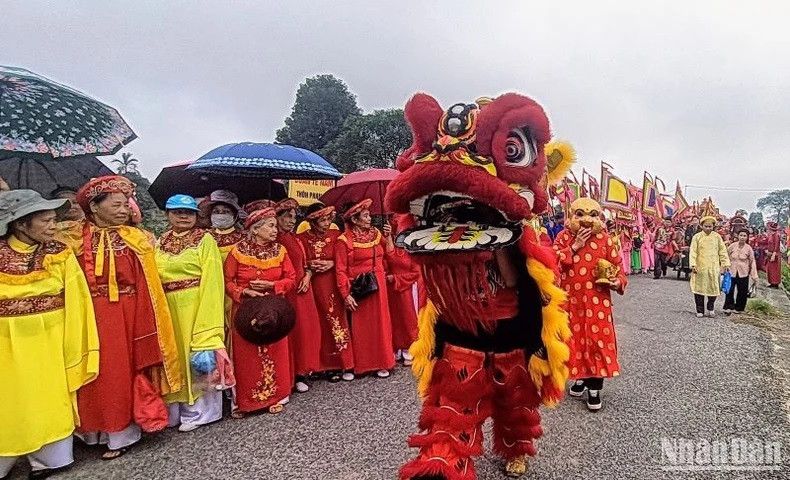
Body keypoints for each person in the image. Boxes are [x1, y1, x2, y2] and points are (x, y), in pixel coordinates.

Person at [74, 176, 182, 459]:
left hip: (129, 310)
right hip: (88, 311)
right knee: (91, 371)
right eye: (116, 204)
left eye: (126, 205)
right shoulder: (74, 238)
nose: (124, 210)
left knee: (120, 371)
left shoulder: (138, 238)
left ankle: (121, 434)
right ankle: (93, 430)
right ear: (94, 208)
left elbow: (148, 281)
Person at [0, 190, 99, 479]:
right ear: (20, 224)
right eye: (45, 220)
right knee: (9, 397)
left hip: (51, 337)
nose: (53, 226)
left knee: (50, 394)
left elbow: (77, 297)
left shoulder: (59, 253)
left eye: (54, 219)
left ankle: (49, 458)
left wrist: (76, 341)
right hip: (6, 341)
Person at [155, 195, 229, 432]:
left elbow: (213, 279)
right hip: (168, 307)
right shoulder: (160, 242)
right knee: (173, 355)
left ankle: (202, 412)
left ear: (197, 216)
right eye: (177, 212)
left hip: (196, 302)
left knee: (197, 355)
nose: (184, 216)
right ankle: (175, 408)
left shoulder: (205, 240)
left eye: (189, 212)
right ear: (168, 214)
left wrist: (208, 316)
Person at [555, 198, 627, 411]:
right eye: (580, 214)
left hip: (598, 303)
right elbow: (551, 262)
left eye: (593, 215)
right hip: (571, 301)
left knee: (597, 340)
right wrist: (574, 246)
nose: (586, 220)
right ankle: (580, 377)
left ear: (600, 218)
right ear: (571, 216)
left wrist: (617, 281)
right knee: (575, 340)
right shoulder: (563, 237)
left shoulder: (606, 240)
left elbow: (618, 268)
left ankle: (595, 387)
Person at [224, 208, 295, 417]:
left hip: (273, 308)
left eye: (275, 225)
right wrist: (243, 290)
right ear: (255, 229)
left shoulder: (280, 251)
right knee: (247, 355)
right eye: (271, 225)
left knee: (275, 351)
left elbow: (291, 279)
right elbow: (227, 281)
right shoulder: (237, 251)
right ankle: (247, 401)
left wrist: (272, 286)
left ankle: (276, 395)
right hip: (246, 309)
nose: (275, 230)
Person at [335, 199, 395, 378]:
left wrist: (389, 236)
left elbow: (390, 254)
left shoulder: (376, 233)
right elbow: (340, 270)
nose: (370, 218)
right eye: (366, 215)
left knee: (381, 324)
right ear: (355, 219)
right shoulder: (343, 240)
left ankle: (383, 362)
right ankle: (363, 364)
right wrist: (345, 295)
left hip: (379, 284)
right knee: (361, 327)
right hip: (360, 286)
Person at [298, 203, 355, 383]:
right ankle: (316, 365)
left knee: (336, 321)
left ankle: (339, 363)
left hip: (331, 284)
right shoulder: (301, 238)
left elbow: (345, 260)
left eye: (327, 219)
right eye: (321, 220)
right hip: (310, 286)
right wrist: (309, 267)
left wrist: (331, 263)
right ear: (312, 222)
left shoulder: (336, 236)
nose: (325, 223)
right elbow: (298, 260)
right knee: (315, 324)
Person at [275, 198, 321, 393]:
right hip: (288, 291)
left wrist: (309, 274)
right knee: (293, 331)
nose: (291, 220)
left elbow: (306, 263)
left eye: (294, 216)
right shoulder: (274, 241)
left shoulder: (294, 238)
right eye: (287, 216)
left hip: (303, 288)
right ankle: (294, 373)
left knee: (307, 330)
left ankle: (305, 369)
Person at [385, 220, 421, 366]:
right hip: (392, 289)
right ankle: (397, 349)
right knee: (395, 319)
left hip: (408, 287)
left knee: (409, 319)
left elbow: (416, 272)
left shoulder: (414, 248)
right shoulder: (393, 244)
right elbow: (389, 257)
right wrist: (387, 237)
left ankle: (410, 350)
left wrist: (397, 278)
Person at [689, 216, 731, 318]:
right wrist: (693, 264)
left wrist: (725, 263)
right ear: (701, 226)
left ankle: (710, 307)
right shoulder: (697, 237)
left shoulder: (717, 237)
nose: (708, 228)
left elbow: (722, 251)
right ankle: (700, 310)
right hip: (700, 267)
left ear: (713, 226)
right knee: (699, 289)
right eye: (706, 226)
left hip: (713, 267)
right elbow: (693, 251)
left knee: (713, 288)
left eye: (710, 226)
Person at [724, 228, 758, 314]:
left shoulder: (749, 248)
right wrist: (723, 269)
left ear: (747, 237)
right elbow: (725, 257)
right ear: (737, 236)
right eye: (741, 235)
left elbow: (752, 261)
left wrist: (754, 275)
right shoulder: (732, 246)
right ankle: (729, 306)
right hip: (731, 271)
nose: (742, 237)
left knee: (742, 291)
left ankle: (739, 308)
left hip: (743, 273)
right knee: (729, 290)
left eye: (744, 236)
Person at [52, 187, 86, 252]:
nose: (71, 206)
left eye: (75, 202)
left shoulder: (93, 227)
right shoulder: (49, 230)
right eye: (65, 203)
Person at [764, 221, 782, 288]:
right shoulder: (771, 235)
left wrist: (774, 254)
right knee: (770, 269)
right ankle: (772, 282)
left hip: (775, 254)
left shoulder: (776, 235)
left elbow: (777, 246)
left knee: (775, 269)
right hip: (770, 254)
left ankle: (776, 283)